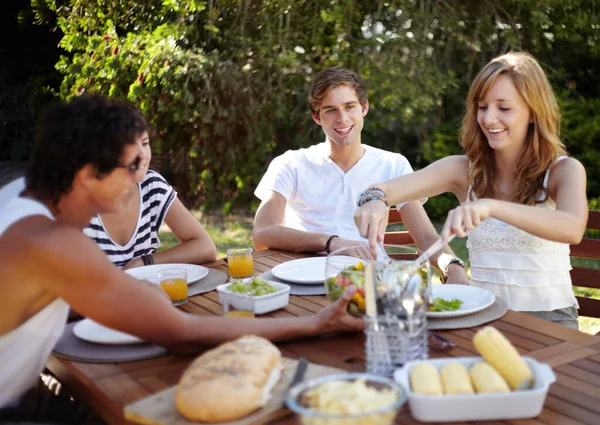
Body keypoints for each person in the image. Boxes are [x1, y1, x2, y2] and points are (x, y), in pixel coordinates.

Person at [0, 95, 363, 411]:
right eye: (128, 168)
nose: (136, 179)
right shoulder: (50, 241)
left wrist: (126, 292)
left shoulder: (20, 197)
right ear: (87, 174)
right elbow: (180, 332)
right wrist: (318, 323)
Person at [354, 52, 588, 328]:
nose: (489, 119)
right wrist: (374, 199)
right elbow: (383, 190)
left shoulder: (563, 170)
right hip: (480, 315)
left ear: (533, 113)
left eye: (504, 108)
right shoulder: (463, 170)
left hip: (550, 322)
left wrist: (490, 206)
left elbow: (572, 227)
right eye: (482, 106)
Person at [253, 67, 468, 283]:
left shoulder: (393, 164)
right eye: (330, 110)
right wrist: (331, 242)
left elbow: (426, 237)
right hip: (305, 280)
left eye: (349, 106)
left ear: (364, 107)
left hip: (371, 283)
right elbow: (262, 234)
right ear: (316, 117)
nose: (342, 118)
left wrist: (453, 265)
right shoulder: (291, 164)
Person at [82, 131, 217, 270]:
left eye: (145, 143)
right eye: (130, 146)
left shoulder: (150, 186)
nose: (143, 154)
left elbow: (205, 247)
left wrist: (143, 262)